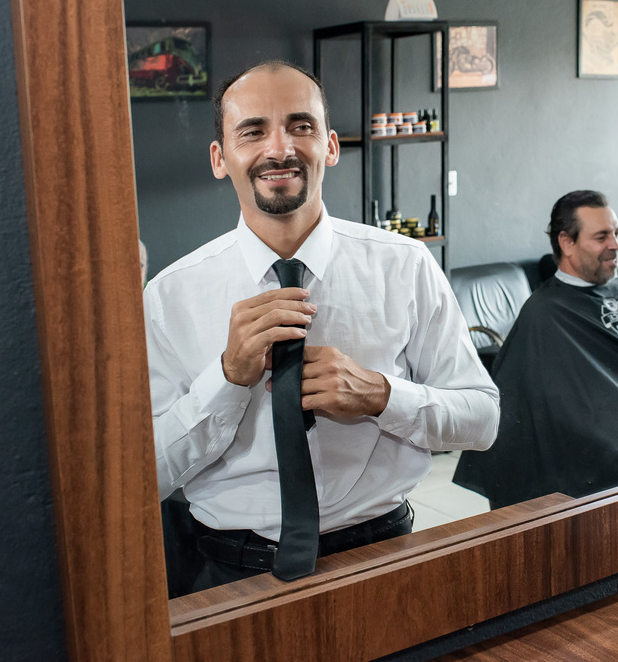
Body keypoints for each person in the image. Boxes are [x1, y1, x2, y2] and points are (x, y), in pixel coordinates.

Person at [144, 60, 499, 595]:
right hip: (229, 572)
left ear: (330, 146)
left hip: (386, 557)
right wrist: (226, 377)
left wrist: (382, 396)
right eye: (253, 131)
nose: (280, 148)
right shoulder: (170, 297)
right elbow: (148, 472)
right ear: (221, 158)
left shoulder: (406, 265)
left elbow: (483, 420)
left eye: (300, 126)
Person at [453, 190, 618, 508]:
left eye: (617, 234)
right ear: (567, 243)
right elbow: (566, 411)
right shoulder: (544, 315)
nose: (616, 245)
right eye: (601, 236)